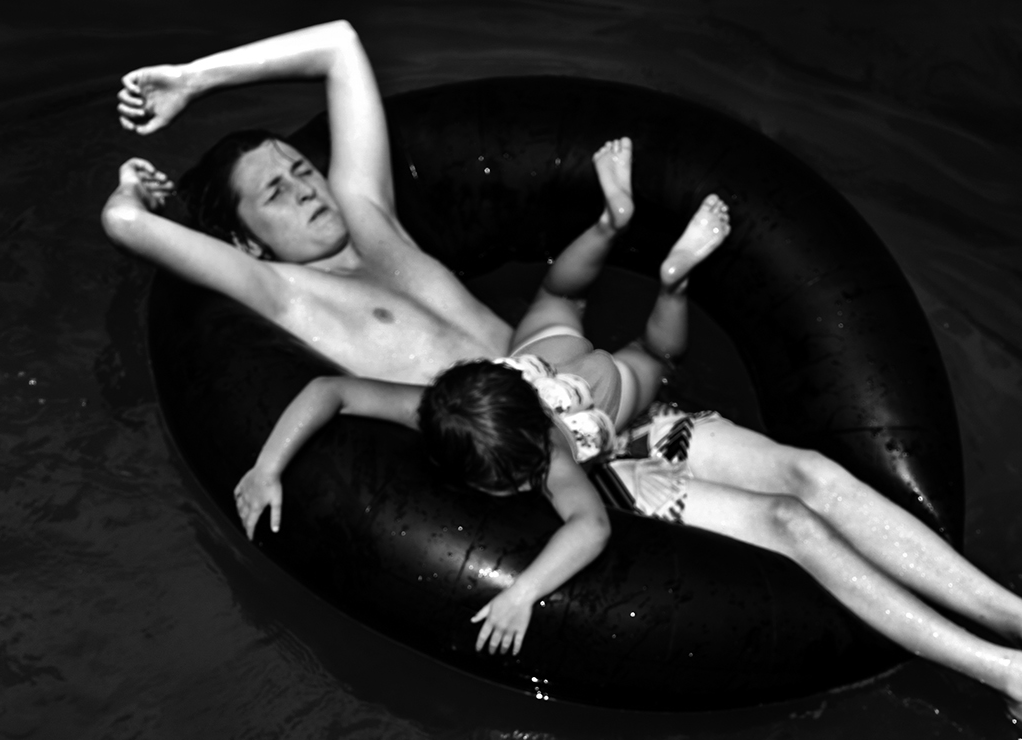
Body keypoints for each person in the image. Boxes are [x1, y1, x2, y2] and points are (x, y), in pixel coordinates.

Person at [104, 20, 1022, 725]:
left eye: (297, 169)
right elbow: (124, 225)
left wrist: (200, 78)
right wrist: (138, 185)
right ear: (247, 247)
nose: (305, 187)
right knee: (793, 531)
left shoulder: (372, 215)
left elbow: (337, 47)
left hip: (610, 413)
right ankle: (1015, 679)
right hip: (569, 465)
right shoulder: (289, 300)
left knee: (815, 476)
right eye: (278, 197)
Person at [229, 138, 731, 654]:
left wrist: (523, 593)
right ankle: (610, 223)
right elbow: (327, 390)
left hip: (600, 396)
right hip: (541, 359)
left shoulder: (545, 455)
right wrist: (266, 469)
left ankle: (674, 282)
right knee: (559, 295)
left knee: (653, 356)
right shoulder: (431, 404)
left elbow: (591, 528)